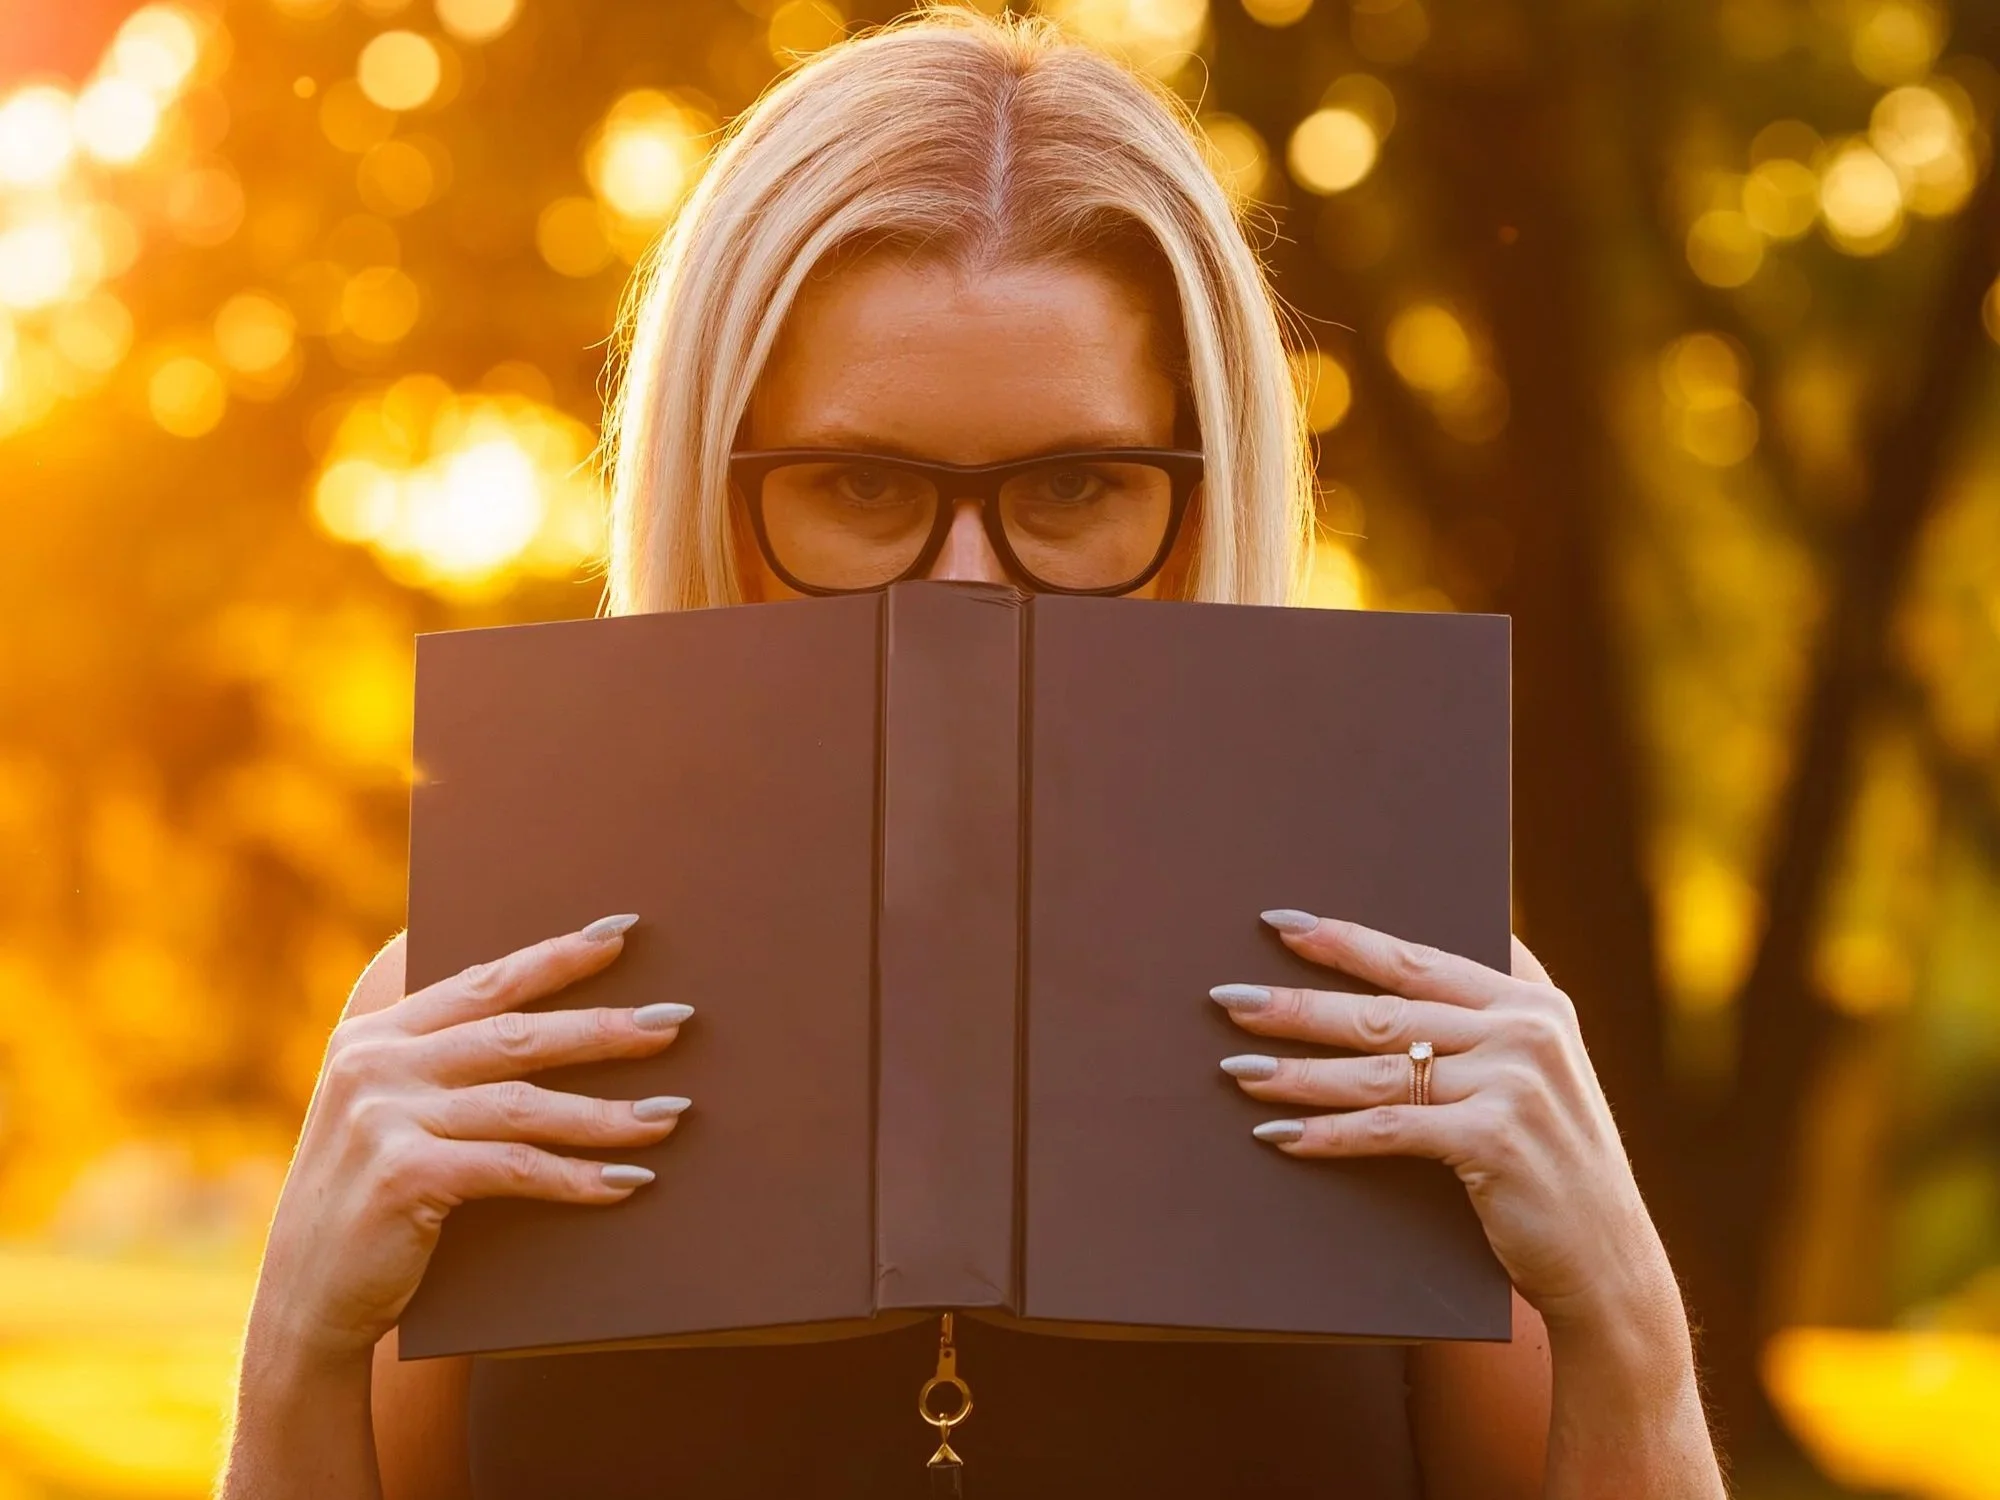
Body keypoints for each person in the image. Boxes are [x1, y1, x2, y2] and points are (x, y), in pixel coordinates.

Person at [223, 11, 1727, 1497]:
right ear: (713, 481)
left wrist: (1630, 1330)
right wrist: (295, 1347)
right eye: (860, 484)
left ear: (1202, 499)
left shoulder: (1421, 1018)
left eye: (1073, 484)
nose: (961, 582)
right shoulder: (475, 1020)